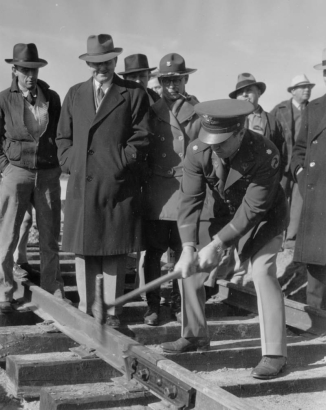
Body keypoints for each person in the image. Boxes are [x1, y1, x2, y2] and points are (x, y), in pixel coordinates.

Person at [161, 99, 288, 380]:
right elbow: (190, 201)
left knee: (262, 271)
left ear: (240, 133)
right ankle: (194, 335)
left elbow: (253, 209)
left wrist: (218, 244)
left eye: (221, 142)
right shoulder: (198, 150)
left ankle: (275, 354)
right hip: (223, 216)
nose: (214, 147)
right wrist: (188, 248)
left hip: (265, 219)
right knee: (190, 268)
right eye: (210, 140)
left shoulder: (266, 152)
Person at [56, 34, 151, 327]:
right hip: (82, 184)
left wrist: (118, 164)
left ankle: (111, 312)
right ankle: (86, 311)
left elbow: (141, 138)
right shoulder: (74, 93)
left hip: (117, 185)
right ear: (89, 64)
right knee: (84, 250)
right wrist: (72, 163)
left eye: (107, 61)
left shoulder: (133, 93)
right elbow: (63, 138)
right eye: (96, 63)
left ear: (115, 60)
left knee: (114, 248)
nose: (102, 67)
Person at [0, 43, 65, 312]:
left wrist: (59, 164)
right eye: (25, 70)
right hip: (17, 171)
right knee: (8, 233)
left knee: (50, 235)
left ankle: (53, 291)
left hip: (48, 173)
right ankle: (4, 290)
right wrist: (5, 167)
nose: (30, 75)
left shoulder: (51, 97)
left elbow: (61, 134)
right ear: (14, 70)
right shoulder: (4, 99)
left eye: (34, 70)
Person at [141, 53, 201, 326]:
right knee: (153, 251)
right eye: (166, 81)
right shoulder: (151, 109)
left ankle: (178, 303)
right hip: (158, 190)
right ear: (160, 82)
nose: (172, 86)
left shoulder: (198, 109)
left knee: (180, 249)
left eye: (177, 80)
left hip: (185, 187)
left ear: (185, 79)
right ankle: (152, 305)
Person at [290, 49, 326, 310]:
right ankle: (318, 322)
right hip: (319, 196)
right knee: (318, 265)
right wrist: (302, 175)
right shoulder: (314, 108)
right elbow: (299, 150)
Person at [271, 74, 315, 249]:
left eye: (309, 87)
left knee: (299, 200)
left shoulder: (314, 109)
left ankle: (291, 238)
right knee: (278, 199)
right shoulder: (279, 109)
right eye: (303, 87)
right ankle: (274, 237)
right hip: (283, 163)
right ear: (293, 91)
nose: (307, 90)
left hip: (303, 163)